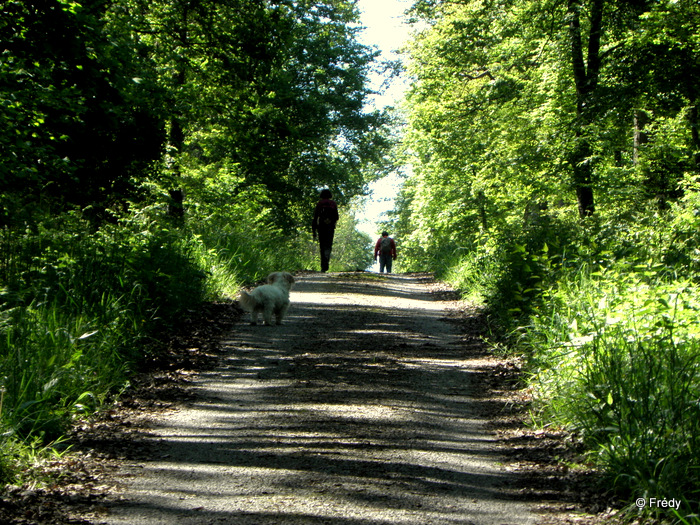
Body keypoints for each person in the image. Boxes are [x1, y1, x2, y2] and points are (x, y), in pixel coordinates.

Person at [312, 189, 339, 272]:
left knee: (322, 245)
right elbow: (337, 217)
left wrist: (314, 231)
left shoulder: (320, 203)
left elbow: (315, 217)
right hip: (330, 227)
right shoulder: (333, 204)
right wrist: (331, 221)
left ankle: (323, 265)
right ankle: (327, 258)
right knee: (328, 244)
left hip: (321, 226)